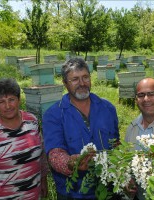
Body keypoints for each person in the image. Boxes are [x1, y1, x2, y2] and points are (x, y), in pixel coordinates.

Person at [42, 58, 120, 199]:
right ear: (65, 83)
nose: (82, 83)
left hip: (107, 189)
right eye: (75, 79)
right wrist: (71, 163)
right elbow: (54, 153)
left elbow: (116, 144)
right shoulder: (53, 114)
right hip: (72, 193)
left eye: (85, 77)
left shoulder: (108, 108)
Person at [0, 78, 48, 200]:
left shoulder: (32, 121)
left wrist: (43, 179)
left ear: (19, 100)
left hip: (33, 194)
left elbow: (41, 154)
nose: (8, 106)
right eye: (1, 102)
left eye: (11, 100)